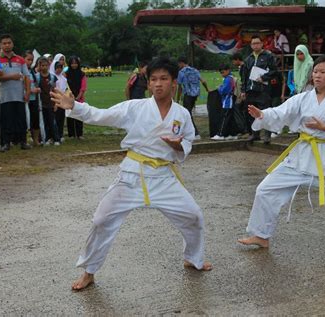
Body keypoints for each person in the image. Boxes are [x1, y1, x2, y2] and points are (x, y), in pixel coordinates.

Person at [50, 57, 212, 291]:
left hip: (164, 176)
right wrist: (75, 106)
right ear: (148, 84)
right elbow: (101, 115)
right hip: (132, 174)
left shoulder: (182, 114)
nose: (158, 84)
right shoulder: (135, 107)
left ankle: (193, 258)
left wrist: (178, 145)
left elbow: (188, 142)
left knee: (194, 216)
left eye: (164, 79)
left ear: (174, 82)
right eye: (153, 79)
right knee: (101, 220)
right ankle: (89, 271)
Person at [238, 56, 325, 249]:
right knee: (265, 190)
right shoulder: (303, 97)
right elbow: (282, 112)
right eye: (315, 71)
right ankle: (261, 235)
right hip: (301, 157)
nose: (317, 75)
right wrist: (263, 115)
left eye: (323, 72)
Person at [240, 35, 278, 144]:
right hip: (250, 90)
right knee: (252, 113)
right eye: (253, 44)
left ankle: (267, 135)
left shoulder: (268, 56)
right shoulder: (248, 59)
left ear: (262, 44)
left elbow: (274, 71)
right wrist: (243, 90)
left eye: (257, 43)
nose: (255, 45)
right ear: (251, 45)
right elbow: (244, 76)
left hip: (263, 89)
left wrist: (264, 77)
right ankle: (255, 134)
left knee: (265, 112)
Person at [0, 34, 31, 151]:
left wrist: (27, 92)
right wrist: (13, 76)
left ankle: (23, 141)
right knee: (6, 120)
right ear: (0, 45)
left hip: (19, 96)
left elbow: (27, 77)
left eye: (9, 43)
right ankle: (6, 143)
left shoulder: (20, 60)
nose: (7, 45)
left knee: (21, 119)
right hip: (4, 96)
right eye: (4, 43)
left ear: (13, 44)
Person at [176, 56, 209, 140]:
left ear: (181, 63)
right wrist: (207, 89)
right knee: (188, 113)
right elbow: (204, 81)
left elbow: (179, 87)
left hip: (188, 95)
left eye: (179, 64)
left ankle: (195, 134)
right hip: (195, 95)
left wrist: (177, 99)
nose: (178, 65)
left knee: (187, 114)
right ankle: (189, 132)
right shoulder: (195, 70)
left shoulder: (181, 72)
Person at [36, 57, 60, 145]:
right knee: (43, 122)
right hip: (41, 104)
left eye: (46, 65)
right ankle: (43, 139)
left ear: (49, 66)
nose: (44, 67)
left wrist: (56, 103)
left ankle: (56, 139)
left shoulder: (52, 77)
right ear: (39, 66)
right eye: (42, 65)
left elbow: (54, 90)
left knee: (52, 122)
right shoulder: (37, 77)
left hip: (51, 103)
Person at [211, 64, 237, 141]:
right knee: (230, 119)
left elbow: (223, 91)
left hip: (227, 101)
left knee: (224, 119)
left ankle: (220, 134)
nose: (222, 74)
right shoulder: (231, 77)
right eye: (221, 73)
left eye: (223, 72)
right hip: (230, 100)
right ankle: (232, 134)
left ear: (228, 70)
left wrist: (219, 88)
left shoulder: (228, 79)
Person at [65, 56, 87, 139]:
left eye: (75, 63)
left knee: (79, 116)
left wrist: (78, 97)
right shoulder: (66, 74)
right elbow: (65, 86)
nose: (74, 65)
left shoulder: (82, 74)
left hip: (79, 98)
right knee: (70, 116)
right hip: (69, 97)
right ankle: (71, 134)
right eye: (72, 63)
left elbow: (83, 87)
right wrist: (70, 97)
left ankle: (79, 134)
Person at [23, 50, 41, 146]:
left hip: (34, 100)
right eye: (28, 59)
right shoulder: (20, 71)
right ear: (23, 59)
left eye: (32, 60)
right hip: (24, 99)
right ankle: (24, 140)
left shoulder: (33, 72)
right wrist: (30, 91)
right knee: (25, 121)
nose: (30, 62)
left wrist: (37, 89)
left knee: (35, 120)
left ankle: (35, 140)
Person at [231, 53, 249, 134]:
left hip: (245, 92)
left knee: (240, 109)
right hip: (244, 91)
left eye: (233, 61)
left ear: (237, 59)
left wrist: (243, 91)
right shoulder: (243, 67)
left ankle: (244, 128)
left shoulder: (244, 67)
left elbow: (244, 80)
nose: (233, 63)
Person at [53, 62, 67, 143]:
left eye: (60, 68)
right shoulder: (53, 77)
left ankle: (60, 134)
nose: (59, 69)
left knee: (61, 118)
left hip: (63, 100)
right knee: (56, 118)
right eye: (57, 68)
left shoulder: (64, 79)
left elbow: (65, 89)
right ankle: (55, 135)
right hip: (56, 99)